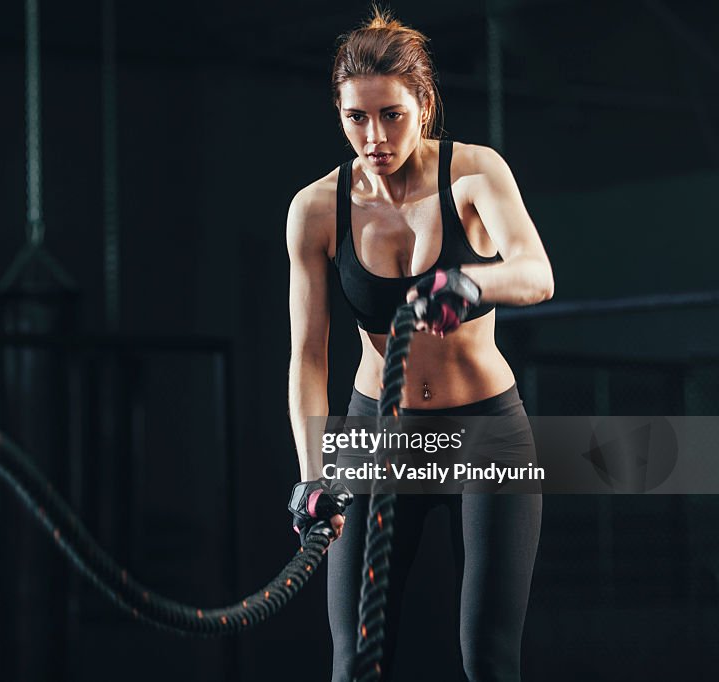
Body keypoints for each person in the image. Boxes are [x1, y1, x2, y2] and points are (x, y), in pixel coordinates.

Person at [285, 8, 554, 682]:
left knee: (490, 660)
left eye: (391, 115)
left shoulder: (475, 175)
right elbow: (309, 358)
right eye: (356, 118)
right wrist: (314, 473)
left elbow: (536, 273)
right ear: (340, 113)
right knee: (354, 663)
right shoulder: (317, 209)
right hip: (376, 434)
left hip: (484, 432)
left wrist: (469, 282)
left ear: (423, 105)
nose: (373, 136)